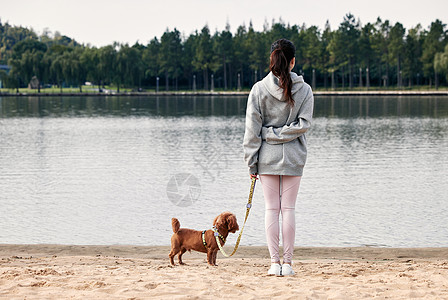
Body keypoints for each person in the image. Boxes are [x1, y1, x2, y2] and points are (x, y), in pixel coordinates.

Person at [243, 38, 314, 276]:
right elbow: (303, 125)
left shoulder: (258, 90)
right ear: (293, 61)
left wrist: (253, 158)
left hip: (266, 158)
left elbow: (252, 131)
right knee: (289, 209)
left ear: (271, 60)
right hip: (294, 156)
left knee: (271, 210)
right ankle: (288, 264)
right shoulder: (305, 90)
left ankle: (274, 264)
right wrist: (283, 134)